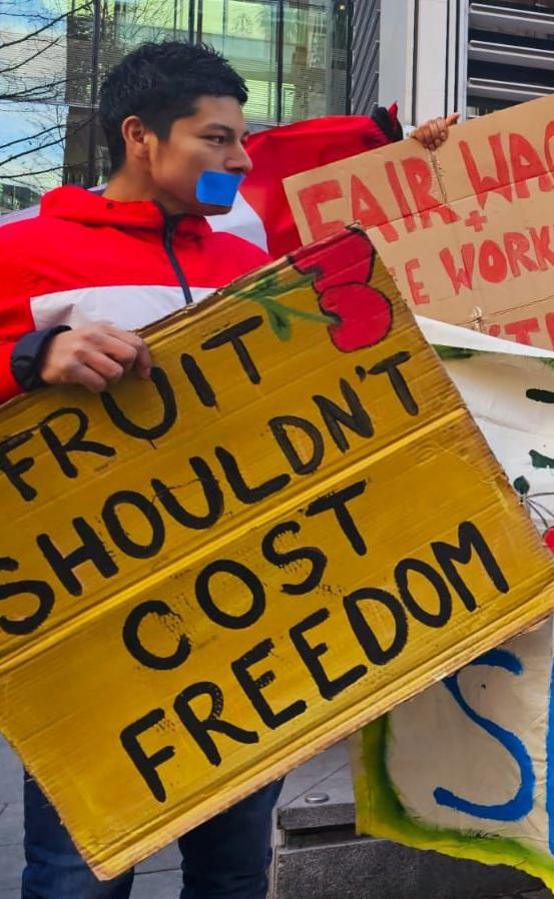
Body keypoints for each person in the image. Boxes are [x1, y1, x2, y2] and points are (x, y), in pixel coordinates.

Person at [0, 41, 284, 898]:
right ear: (140, 137)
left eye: (242, 142)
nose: (238, 159)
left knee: (237, 872)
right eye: (217, 139)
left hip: (254, 626)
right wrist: (29, 356)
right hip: (92, 643)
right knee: (79, 873)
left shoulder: (251, 272)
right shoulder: (25, 252)